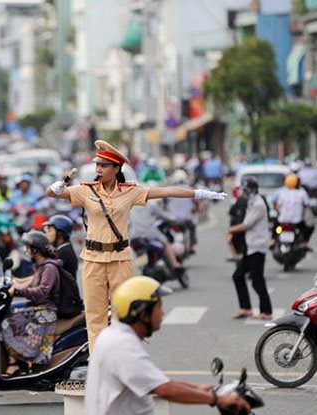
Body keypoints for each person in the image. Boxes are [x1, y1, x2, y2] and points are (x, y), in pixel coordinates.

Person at [46, 139, 226, 352]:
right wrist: (55, 187)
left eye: (104, 166)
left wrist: (199, 193)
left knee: (124, 313)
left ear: (116, 168)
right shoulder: (86, 191)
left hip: (120, 259)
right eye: (97, 165)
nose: (99, 169)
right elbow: (53, 193)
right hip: (93, 259)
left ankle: (123, 358)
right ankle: (98, 364)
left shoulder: (130, 192)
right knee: (95, 318)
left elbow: (166, 191)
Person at [85, 276, 250, 415]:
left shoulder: (114, 335)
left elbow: (153, 381)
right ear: (143, 314)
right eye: (159, 307)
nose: (163, 313)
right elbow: (164, 389)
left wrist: (198, 388)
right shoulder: (122, 346)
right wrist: (217, 399)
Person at [0, 230, 60, 377]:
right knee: (8, 314)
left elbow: (41, 291)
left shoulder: (49, 268)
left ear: (35, 249)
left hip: (46, 311)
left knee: (7, 324)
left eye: (28, 248)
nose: (26, 251)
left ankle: (15, 363)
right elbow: (31, 283)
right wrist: (15, 283)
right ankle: (20, 360)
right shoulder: (41, 266)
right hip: (37, 307)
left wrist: (18, 291)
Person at [228, 176, 273, 320]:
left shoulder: (258, 204)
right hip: (251, 246)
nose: (243, 193)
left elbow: (246, 224)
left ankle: (266, 311)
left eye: (245, 190)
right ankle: (246, 308)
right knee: (238, 276)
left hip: (258, 247)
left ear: (251, 190)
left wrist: (230, 230)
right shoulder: (252, 202)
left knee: (257, 280)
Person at [166, 169, 198, 253]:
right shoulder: (190, 189)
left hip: (172, 220)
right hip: (186, 220)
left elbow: (165, 205)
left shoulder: (170, 189)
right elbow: (195, 203)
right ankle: (192, 245)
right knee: (193, 227)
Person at [275, 173, 310, 248]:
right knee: (308, 227)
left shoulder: (283, 192)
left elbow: (277, 207)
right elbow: (306, 204)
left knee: (275, 227)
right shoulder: (302, 192)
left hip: (283, 220)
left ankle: (272, 240)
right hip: (297, 221)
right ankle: (304, 242)